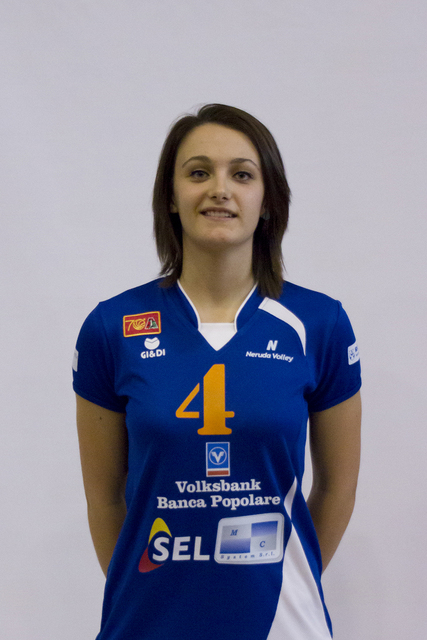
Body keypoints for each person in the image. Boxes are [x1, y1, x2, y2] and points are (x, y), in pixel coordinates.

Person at [73, 104, 361, 640]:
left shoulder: (319, 323)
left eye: (242, 175)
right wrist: (147, 587)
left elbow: (338, 489)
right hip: (148, 624)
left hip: (282, 624)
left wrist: (282, 579)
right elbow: (105, 499)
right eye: (199, 172)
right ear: (171, 196)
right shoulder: (112, 327)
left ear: (268, 200)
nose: (219, 189)